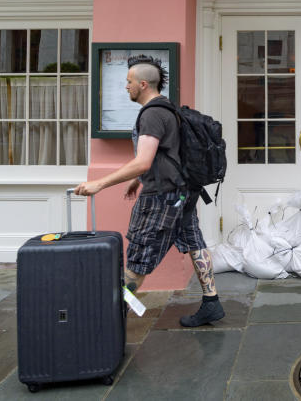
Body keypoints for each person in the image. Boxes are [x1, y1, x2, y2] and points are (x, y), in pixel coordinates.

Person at [75, 55, 224, 327]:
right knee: (195, 243)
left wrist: (100, 183)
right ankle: (211, 302)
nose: (125, 86)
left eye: (129, 81)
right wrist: (138, 179)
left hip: (163, 198)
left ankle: (110, 319)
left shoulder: (153, 114)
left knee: (140, 253)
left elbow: (143, 160)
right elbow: (164, 156)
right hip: (182, 193)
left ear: (143, 84)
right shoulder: (168, 108)